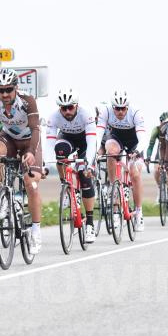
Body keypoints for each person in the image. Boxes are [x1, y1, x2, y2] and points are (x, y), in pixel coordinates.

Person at [0, 68, 44, 254]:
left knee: (31, 183)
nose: (4, 94)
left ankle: (36, 230)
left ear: (16, 88)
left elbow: (36, 129)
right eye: (0, 90)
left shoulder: (27, 101)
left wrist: (31, 152)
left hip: (30, 140)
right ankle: (3, 198)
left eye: (8, 89)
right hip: (9, 138)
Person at [46, 87, 98, 243]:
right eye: (63, 108)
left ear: (76, 105)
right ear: (59, 108)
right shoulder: (54, 117)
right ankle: (66, 186)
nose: (67, 111)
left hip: (84, 143)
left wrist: (88, 163)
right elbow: (49, 143)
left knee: (85, 177)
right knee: (60, 151)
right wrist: (47, 166)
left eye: (70, 107)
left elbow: (91, 142)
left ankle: (89, 223)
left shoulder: (86, 114)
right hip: (67, 138)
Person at [97, 89, 147, 231]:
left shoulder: (136, 112)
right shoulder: (106, 111)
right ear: (113, 107)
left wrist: (136, 152)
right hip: (116, 137)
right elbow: (98, 133)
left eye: (123, 108)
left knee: (134, 173)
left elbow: (142, 137)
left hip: (134, 142)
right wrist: (95, 152)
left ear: (127, 107)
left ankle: (138, 212)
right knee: (111, 152)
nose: (120, 112)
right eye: (117, 109)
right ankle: (114, 188)